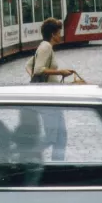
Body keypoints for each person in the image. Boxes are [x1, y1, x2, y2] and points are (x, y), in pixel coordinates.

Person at [26, 18, 74, 161]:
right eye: (59, 32)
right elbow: (39, 69)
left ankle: (57, 166)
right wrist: (60, 72)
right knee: (52, 137)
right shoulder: (46, 47)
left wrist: (36, 77)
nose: (61, 35)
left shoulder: (45, 47)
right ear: (53, 34)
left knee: (61, 135)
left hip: (52, 96)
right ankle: (24, 156)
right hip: (47, 97)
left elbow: (29, 66)